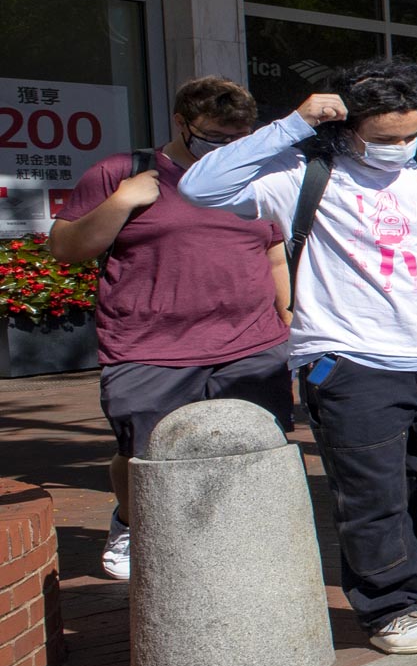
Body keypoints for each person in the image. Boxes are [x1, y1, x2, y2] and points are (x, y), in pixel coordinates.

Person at [180, 60, 417, 657]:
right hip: (348, 359)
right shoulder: (303, 173)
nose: (400, 148)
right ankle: (390, 606)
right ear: (347, 129)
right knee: (372, 494)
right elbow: (200, 187)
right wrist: (291, 125)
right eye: (384, 138)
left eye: (410, 135)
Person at [47, 78, 293, 583]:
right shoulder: (123, 171)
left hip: (250, 342)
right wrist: (122, 202)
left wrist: (288, 316)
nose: (229, 148)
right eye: (216, 137)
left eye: (240, 138)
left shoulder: (259, 175)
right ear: (182, 123)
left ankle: (229, 538)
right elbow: (66, 247)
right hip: (148, 344)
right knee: (143, 453)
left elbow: (272, 251)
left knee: (249, 444)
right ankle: (131, 523)